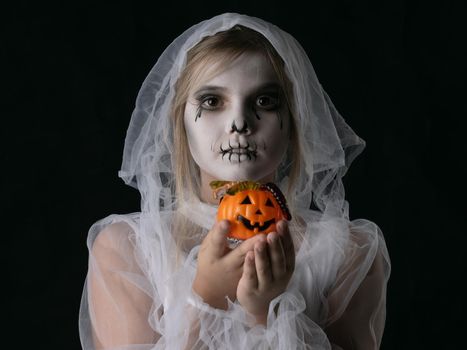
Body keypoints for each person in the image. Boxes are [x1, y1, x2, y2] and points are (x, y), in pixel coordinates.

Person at [79, 13, 391, 349]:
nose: (240, 122)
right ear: (179, 121)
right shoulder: (129, 250)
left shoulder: (348, 253)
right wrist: (206, 297)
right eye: (212, 102)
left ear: (295, 120)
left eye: (264, 101)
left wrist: (266, 313)